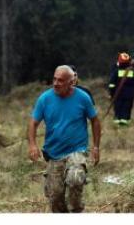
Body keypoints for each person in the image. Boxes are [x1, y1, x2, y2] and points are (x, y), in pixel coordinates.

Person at [28, 66, 101, 213]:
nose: (55, 83)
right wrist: (32, 145)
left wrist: (96, 147)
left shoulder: (83, 97)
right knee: (55, 196)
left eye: (60, 80)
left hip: (77, 150)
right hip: (54, 153)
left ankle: (76, 210)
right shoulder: (45, 99)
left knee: (75, 178)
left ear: (71, 82)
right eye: (54, 79)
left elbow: (95, 121)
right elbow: (33, 123)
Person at [107, 52, 134, 125]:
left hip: (118, 94)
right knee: (127, 109)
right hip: (129, 95)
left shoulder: (116, 72)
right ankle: (125, 123)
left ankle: (117, 123)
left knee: (118, 109)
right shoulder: (133, 72)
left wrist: (111, 94)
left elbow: (111, 84)